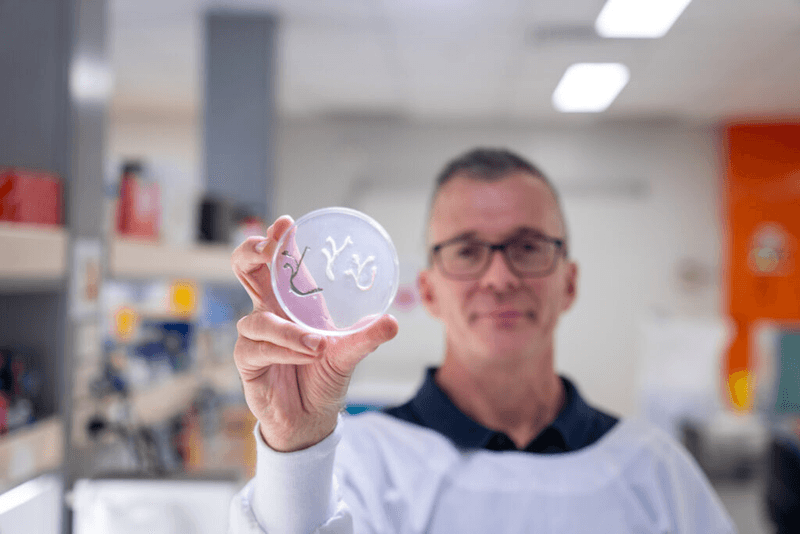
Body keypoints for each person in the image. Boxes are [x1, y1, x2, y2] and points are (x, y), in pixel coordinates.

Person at [228, 148, 736, 533]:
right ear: (427, 291)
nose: (498, 278)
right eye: (467, 251)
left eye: (528, 247)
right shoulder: (355, 462)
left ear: (570, 283)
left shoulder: (653, 469)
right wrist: (294, 446)